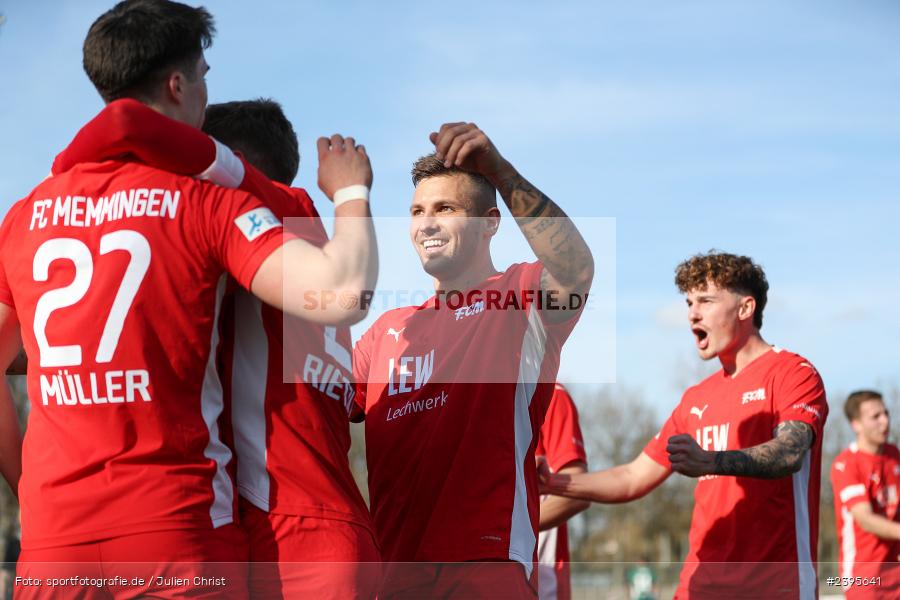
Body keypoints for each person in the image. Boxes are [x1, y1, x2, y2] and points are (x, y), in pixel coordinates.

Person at [0, 1, 376, 597]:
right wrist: (353, 191)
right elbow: (343, 291)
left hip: (53, 544)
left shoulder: (23, 216)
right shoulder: (206, 203)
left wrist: (27, 491)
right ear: (179, 84)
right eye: (204, 74)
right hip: (175, 531)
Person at [352, 122, 595, 598]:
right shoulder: (386, 333)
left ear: (489, 222)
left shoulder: (518, 296)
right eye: (417, 211)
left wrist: (500, 172)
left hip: (485, 565)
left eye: (445, 208)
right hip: (394, 573)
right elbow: (315, 406)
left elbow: (576, 268)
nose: (426, 223)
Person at [541, 251, 828, 599]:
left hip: (773, 588)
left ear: (745, 308)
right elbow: (632, 478)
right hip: (696, 588)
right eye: (689, 301)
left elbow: (789, 452)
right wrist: (552, 482)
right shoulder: (695, 398)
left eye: (706, 300)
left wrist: (711, 461)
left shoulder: (793, 373)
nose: (693, 312)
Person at [831, 390, 900, 598]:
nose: (885, 421)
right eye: (875, 417)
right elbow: (865, 519)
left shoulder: (894, 455)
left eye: (885, 413)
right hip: (865, 579)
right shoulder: (846, 464)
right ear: (856, 424)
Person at [536, 383, 589, 600]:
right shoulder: (460, 398)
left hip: (541, 586)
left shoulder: (549, 394)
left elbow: (577, 492)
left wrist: (503, 531)